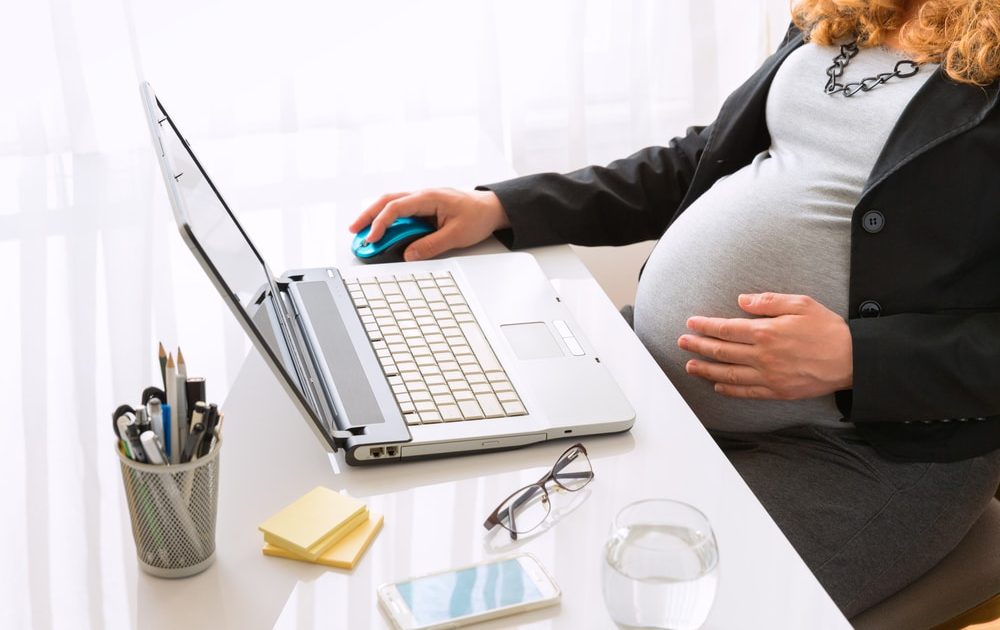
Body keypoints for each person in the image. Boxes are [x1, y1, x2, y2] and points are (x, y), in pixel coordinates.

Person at [349, 0, 1000, 616]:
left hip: (865, 454)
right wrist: (505, 208)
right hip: (662, 388)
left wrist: (858, 360)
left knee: (640, 607)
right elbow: (700, 159)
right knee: (467, 509)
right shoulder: (849, 12)